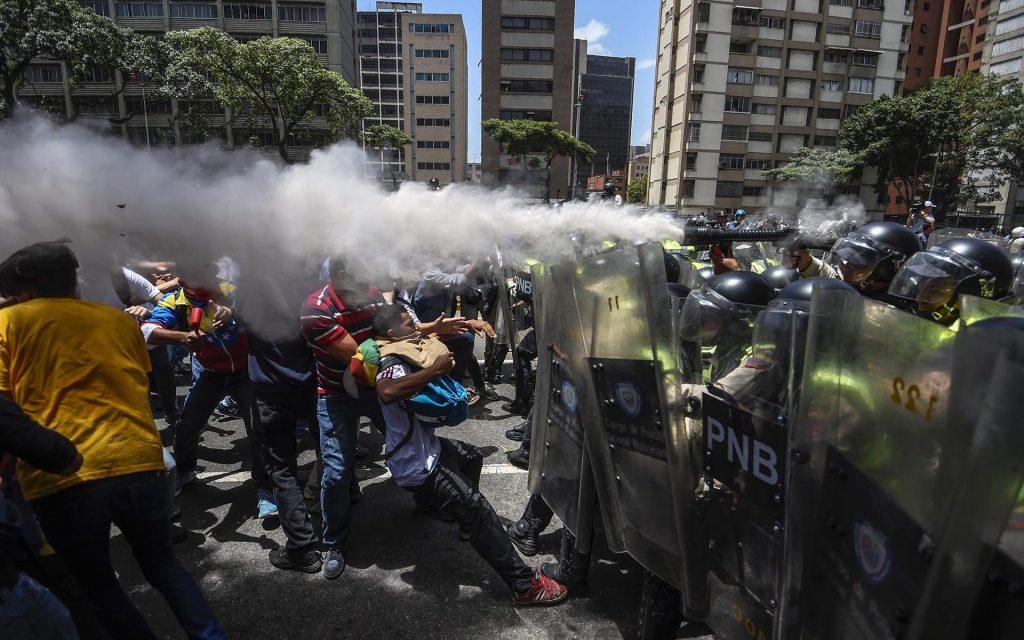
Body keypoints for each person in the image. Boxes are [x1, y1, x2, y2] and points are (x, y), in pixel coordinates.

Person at [0, 242, 225, 640]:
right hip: (139, 460)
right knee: (165, 568)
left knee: (98, 584)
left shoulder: (6, 325)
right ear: (74, 281)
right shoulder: (117, 320)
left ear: (23, 291)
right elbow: (140, 375)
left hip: (65, 476)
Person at [370, 305, 568, 605]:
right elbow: (386, 391)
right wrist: (433, 371)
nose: (415, 326)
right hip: (416, 465)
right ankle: (524, 585)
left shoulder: (405, 347)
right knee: (478, 510)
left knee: (472, 456)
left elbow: (429, 336)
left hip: (430, 451)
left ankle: (437, 508)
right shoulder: (392, 361)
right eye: (409, 323)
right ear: (391, 334)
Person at [142, 265, 277, 518]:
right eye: (199, 274)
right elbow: (147, 331)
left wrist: (234, 311)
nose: (211, 279)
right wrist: (181, 337)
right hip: (210, 374)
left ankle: (264, 487)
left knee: (258, 431)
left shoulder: (233, 291)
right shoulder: (175, 301)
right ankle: (185, 471)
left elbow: (264, 309)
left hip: (246, 374)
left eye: (210, 272)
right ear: (183, 279)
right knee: (186, 427)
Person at [300, 257, 387, 580]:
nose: (368, 283)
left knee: (411, 447)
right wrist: (395, 342)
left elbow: (395, 333)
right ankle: (334, 542)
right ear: (338, 275)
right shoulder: (315, 309)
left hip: (376, 389)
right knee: (335, 473)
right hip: (336, 393)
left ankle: (429, 500)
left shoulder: (372, 294)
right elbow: (361, 356)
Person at [236, 270, 323, 573]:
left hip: (271, 392)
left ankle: (303, 548)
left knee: (282, 470)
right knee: (330, 447)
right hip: (309, 383)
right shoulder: (307, 285)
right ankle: (341, 504)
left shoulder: (249, 288)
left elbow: (236, 324)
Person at [889, 237, 1014, 326]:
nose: (920, 298)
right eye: (920, 286)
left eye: (935, 290)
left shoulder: (978, 344)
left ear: (974, 294)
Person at [825, 221, 922, 309]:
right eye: (846, 261)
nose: (845, 268)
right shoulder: (851, 294)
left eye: (857, 265)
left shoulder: (888, 315)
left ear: (888, 273)